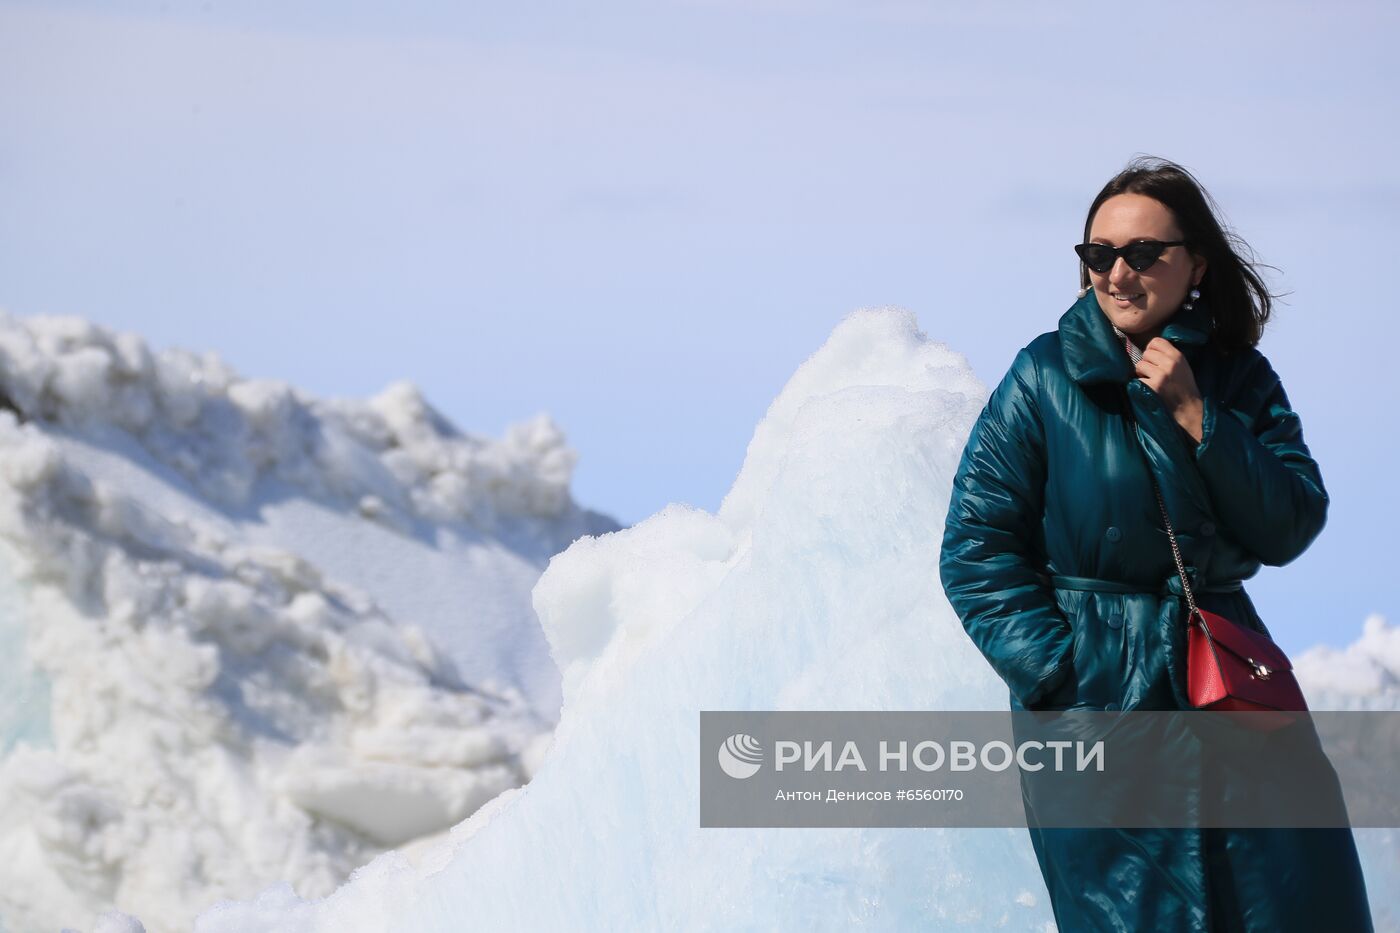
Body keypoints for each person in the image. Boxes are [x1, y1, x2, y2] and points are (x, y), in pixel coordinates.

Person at [937, 156, 1374, 931]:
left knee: (1295, 898)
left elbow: (1293, 521)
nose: (1117, 273)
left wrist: (1201, 418)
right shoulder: (1043, 377)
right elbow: (976, 545)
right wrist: (1057, 674)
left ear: (1194, 262)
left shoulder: (1239, 378)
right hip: (1095, 699)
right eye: (1098, 255)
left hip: (1228, 677)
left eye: (1142, 253)